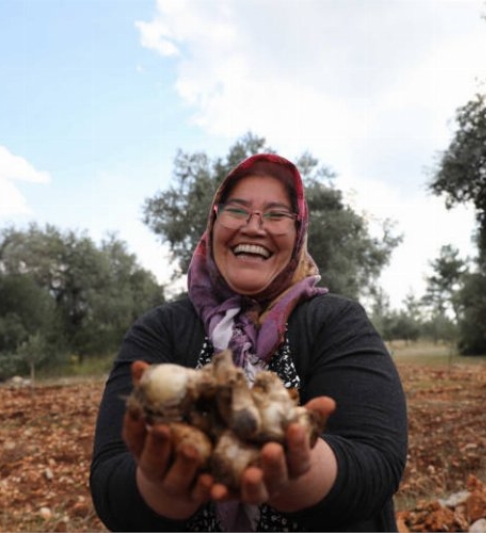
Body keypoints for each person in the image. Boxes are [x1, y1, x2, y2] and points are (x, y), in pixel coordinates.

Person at [90, 153, 408, 531]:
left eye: (276, 215)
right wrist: (161, 488)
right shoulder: (159, 329)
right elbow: (110, 478)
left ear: (299, 231)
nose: (254, 227)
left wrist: (301, 475)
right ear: (213, 221)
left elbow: (378, 460)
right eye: (237, 211)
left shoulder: (337, 322)